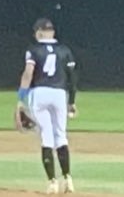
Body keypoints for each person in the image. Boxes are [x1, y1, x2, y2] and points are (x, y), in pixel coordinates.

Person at [16, 18, 78, 194]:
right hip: (59, 94)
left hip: (40, 93)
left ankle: (52, 183)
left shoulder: (33, 50)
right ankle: (68, 179)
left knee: (47, 139)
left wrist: (21, 98)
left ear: (41, 32)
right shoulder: (64, 50)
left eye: (37, 31)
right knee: (61, 137)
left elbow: (28, 74)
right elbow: (72, 79)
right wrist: (72, 102)